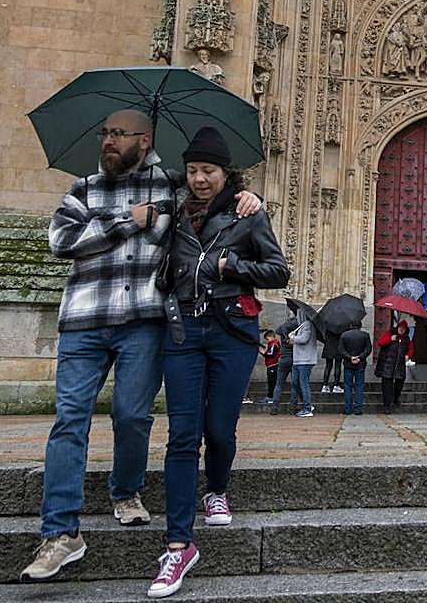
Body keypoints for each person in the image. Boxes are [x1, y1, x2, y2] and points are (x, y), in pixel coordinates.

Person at [21, 111, 259, 584]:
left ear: (143, 140)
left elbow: (211, 197)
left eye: (117, 134)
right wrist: (124, 221)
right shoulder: (83, 189)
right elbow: (60, 239)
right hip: (85, 320)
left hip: (144, 323)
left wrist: (250, 198)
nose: (107, 141)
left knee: (132, 415)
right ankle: (60, 532)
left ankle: (126, 491)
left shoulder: (173, 188)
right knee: (70, 421)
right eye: (104, 133)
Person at [148, 126, 288, 599]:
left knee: (220, 430)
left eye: (207, 171)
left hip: (231, 331)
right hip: (182, 329)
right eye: (192, 170)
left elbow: (279, 270)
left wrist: (232, 267)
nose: (199, 179)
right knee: (182, 434)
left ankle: (218, 489)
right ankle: (179, 543)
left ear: (225, 173)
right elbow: (144, 176)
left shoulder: (247, 214)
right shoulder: (170, 207)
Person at [375, 319, 411, 413]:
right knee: (387, 385)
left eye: (403, 329)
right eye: (400, 328)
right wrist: (390, 339)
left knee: (399, 383)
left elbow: (410, 349)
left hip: (399, 365)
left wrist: (408, 355)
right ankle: (387, 405)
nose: (401, 330)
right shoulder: (390, 334)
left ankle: (395, 398)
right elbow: (380, 342)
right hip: (387, 364)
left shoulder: (406, 339)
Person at [336, 320, 372, 415]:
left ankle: (347, 409)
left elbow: (340, 349)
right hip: (360, 364)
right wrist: (360, 357)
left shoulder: (344, 335)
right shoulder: (365, 335)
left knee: (347, 386)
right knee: (359, 386)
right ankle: (358, 409)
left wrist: (350, 357)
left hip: (348, 364)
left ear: (351, 325)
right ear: (360, 326)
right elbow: (368, 349)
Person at [289, 309, 318, 418]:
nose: (296, 317)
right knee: (295, 383)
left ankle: (307, 408)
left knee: (303, 384)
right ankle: (308, 404)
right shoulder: (302, 326)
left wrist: (293, 337)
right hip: (298, 360)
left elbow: (304, 339)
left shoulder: (307, 325)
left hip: (305, 360)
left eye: (297, 315)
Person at [268, 317, 295, 413]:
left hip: (283, 359)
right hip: (294, 359)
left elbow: (278, 330)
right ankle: (292, 407)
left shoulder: (283, 330)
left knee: (279, 384)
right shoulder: (296, 330)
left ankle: (274, 407)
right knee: (294, 384)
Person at [319, 324, 344, 396]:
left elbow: (322, 336)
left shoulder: (327, 326)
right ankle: (336, 385)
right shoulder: (342, 327)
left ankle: (325, 385)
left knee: (328, 367)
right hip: (338, 348)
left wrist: (327, 342)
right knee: (337, 366)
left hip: (328, 347)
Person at [257, 329, 280, 404]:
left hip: (273, 365)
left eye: (267, 339)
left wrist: (263, 352)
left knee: (272, 382)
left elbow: (271, 354)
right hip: (271, 365)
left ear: (271, 337)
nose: (267, 341)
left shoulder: (274, 343)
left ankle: (271, 397)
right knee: (271, 382)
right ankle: (270, 397)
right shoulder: (273, 344)